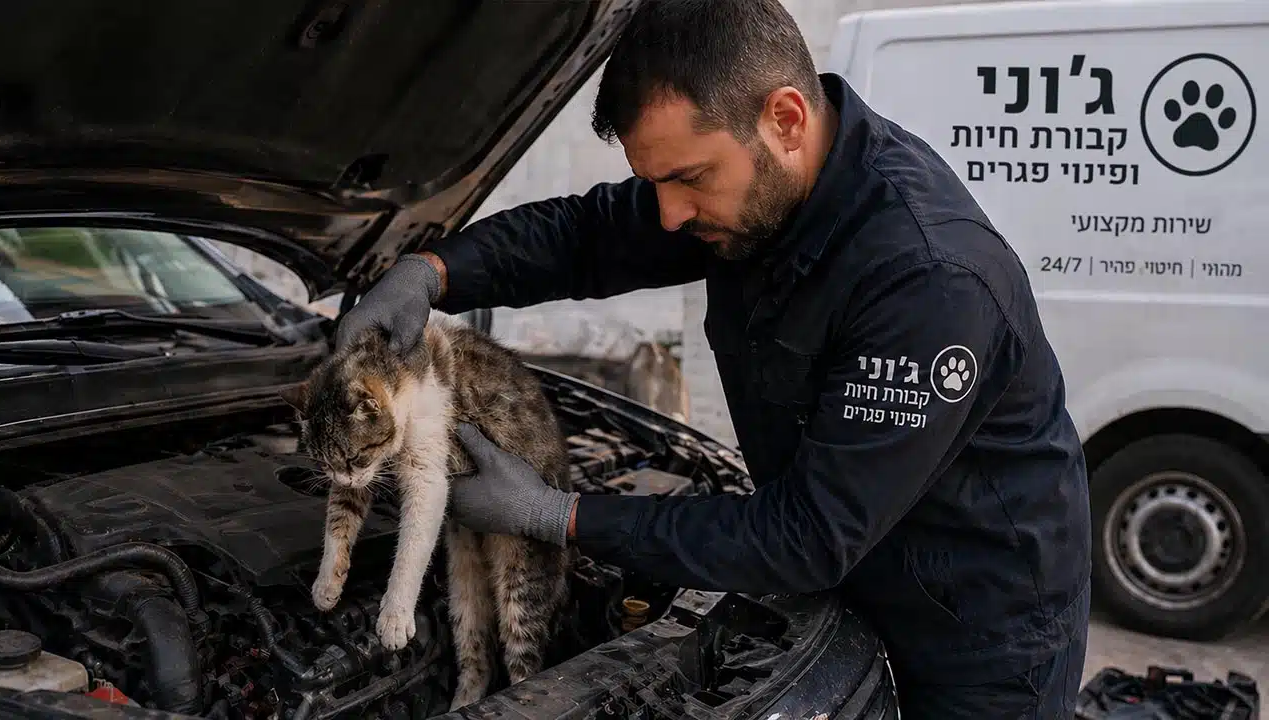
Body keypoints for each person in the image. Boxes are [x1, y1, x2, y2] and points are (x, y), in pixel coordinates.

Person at [334, 0, 1092, 716]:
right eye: (653, 183)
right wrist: (433, 273)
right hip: (849, 580)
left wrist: (557, 514)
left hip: (975, 638)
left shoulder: (926, 280)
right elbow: (587, 236)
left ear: (785, 119)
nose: (668, 214)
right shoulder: (751, 188)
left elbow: (805, 537)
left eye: (689, 179)